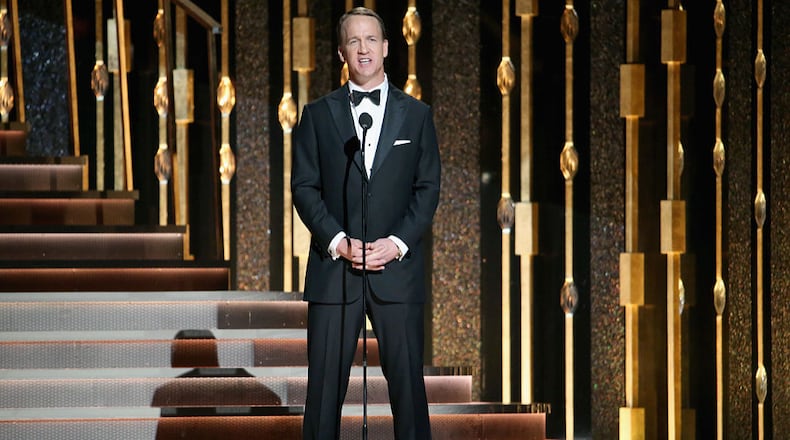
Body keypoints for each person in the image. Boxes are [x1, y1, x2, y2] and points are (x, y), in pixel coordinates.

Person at [291, 7, 441, 440]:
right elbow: (304, 187)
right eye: (354, 41)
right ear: (341, 51)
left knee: (409, 395)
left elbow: (427, 188)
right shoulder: (318, 115)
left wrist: (397, 242)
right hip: (335, 273)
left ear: (386, 47)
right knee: (322, 397)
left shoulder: (416, 116)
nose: (363, 49)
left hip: (397, 273)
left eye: (371, 40)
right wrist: (337, 241)